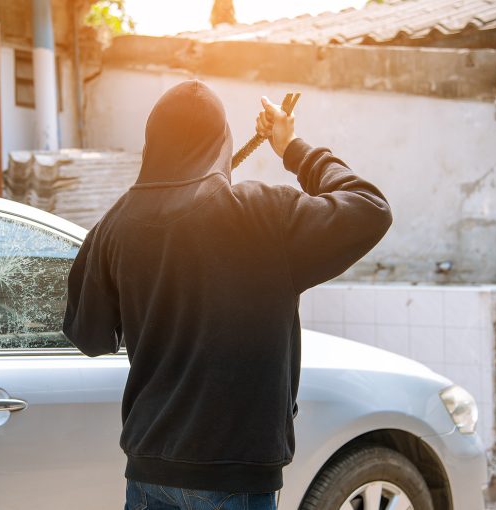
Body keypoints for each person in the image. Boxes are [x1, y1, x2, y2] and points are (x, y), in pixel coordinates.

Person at [62, 80, 392, 509]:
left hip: (147, 472)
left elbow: (89, 336)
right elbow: (369, 208)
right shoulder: (262, 216)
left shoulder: (116, 226)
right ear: (222, 145)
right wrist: (292, 148)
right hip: (232, 476)